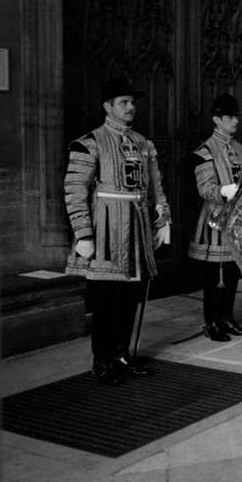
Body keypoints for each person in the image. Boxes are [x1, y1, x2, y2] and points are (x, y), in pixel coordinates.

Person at [64, 76, 170, 384]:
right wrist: (83, 233)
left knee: (129, 298)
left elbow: (156, 188)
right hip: (106, 230)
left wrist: (163, 219)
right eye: (123, 102)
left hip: (136, 231)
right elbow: (74, 190)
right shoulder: (90, 143)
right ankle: (102, 360)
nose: (130, 108)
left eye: (132, 102)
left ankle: (123, 354)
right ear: (107, 106)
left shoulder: (143, 144)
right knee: (106, 301)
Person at [187, 93, 242, 342]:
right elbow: (204, 188)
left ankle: (227, 317)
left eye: (235, 116)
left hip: (240, 219)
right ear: (217, 120)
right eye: (229, 117)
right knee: (216, 276)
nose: (235, 121)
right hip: (216, 220)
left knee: (234, 271)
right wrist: (222, 191)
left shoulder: (241, 150)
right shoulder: (205, 151)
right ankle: (212, 321)